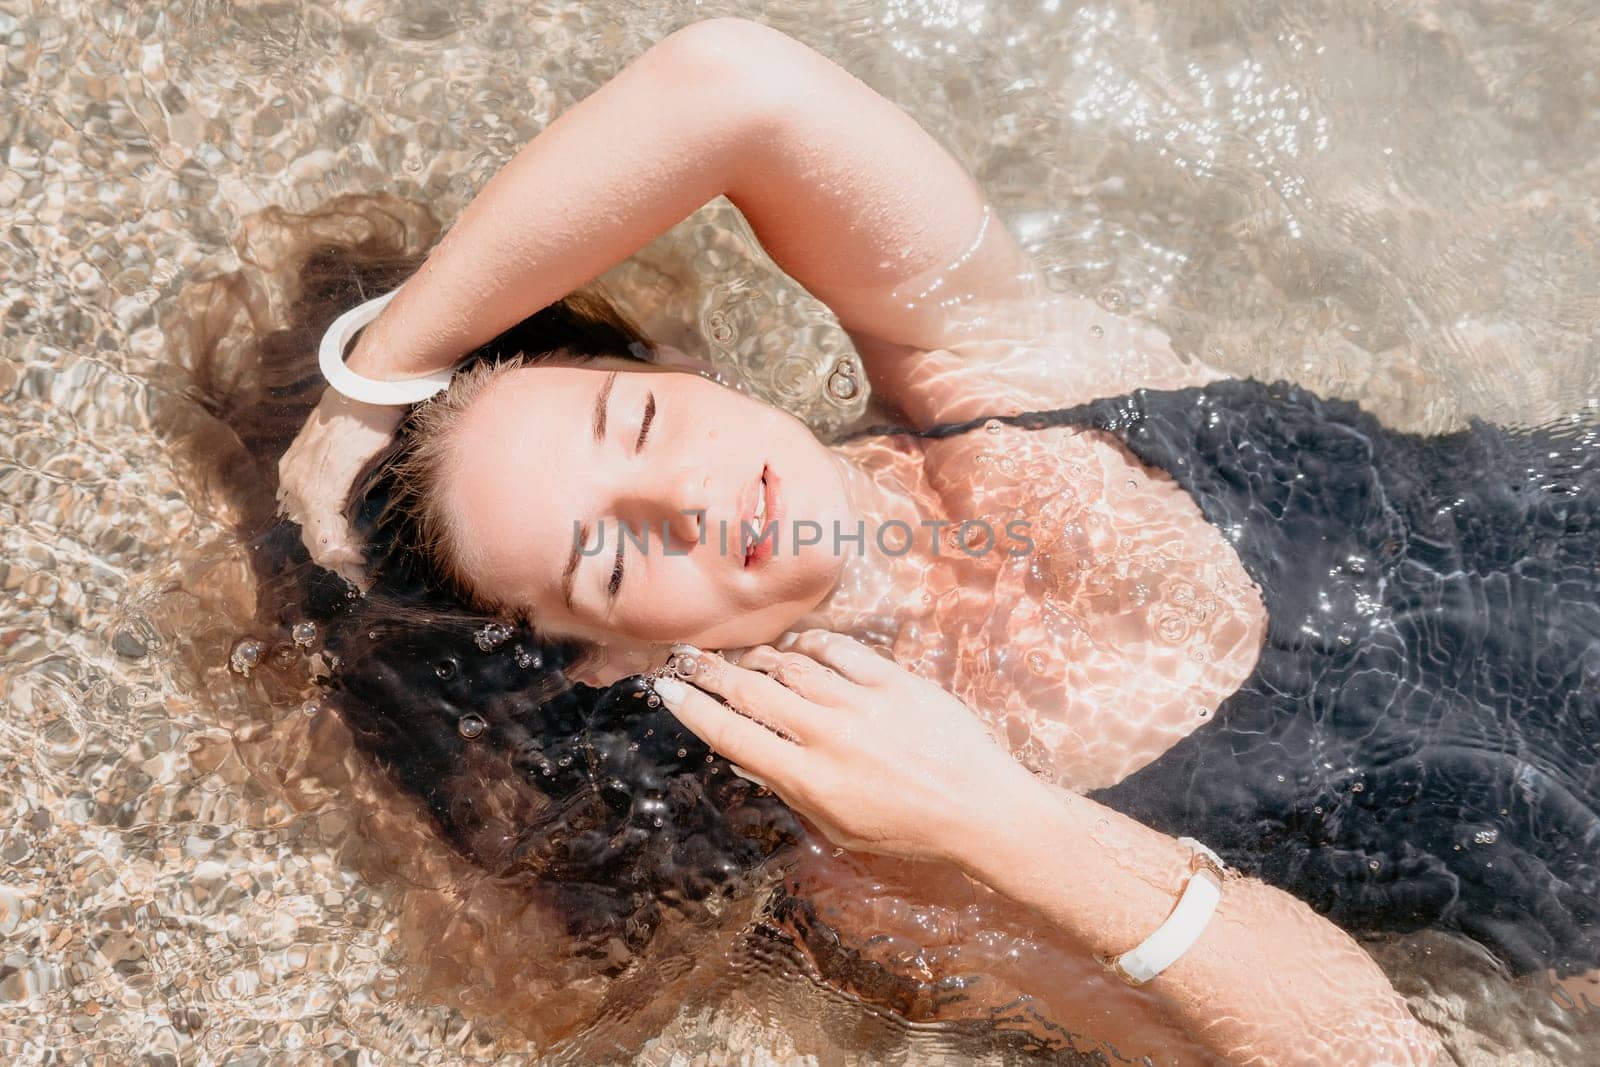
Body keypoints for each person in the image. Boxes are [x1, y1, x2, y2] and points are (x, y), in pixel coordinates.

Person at [239, 15, 1598, 1063]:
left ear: (685, 370)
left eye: (644, 424)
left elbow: (735, 81)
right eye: (612, 556)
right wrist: (1002, 820)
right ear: (601, 662)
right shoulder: (881, 867)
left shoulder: (993, 369)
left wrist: (379, 374)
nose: (690, 498)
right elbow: (1379, 1050)